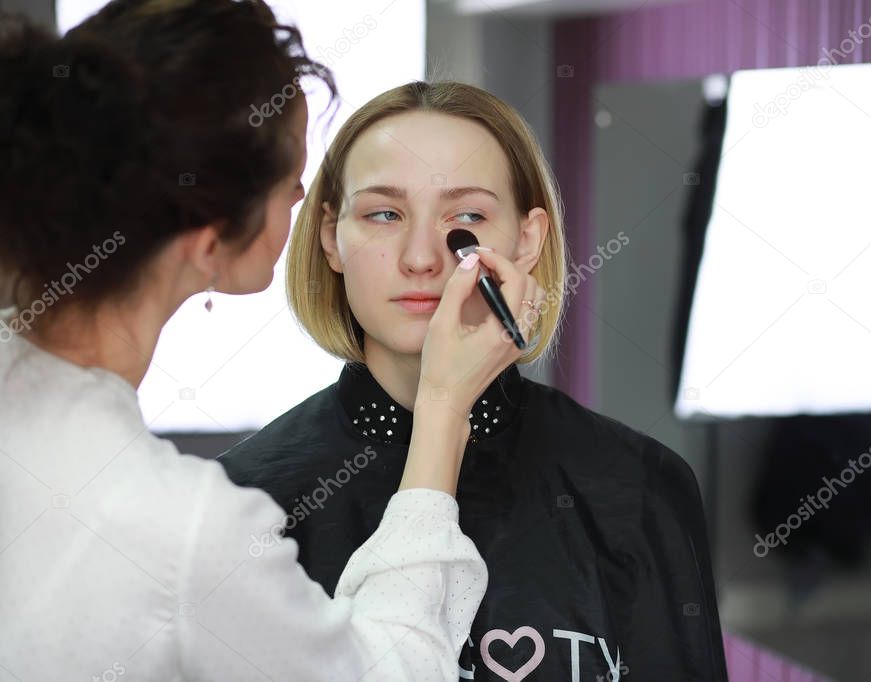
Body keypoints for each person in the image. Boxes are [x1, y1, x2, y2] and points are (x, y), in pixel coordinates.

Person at [0, 4, 530, 680]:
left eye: (463, 214)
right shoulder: (187, 530)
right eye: (290, 186)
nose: (422, 256)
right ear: (210, 238)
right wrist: (443, 408)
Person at [220, 80, 729, 681]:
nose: (420, 258)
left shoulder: (640, 485)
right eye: (384, 214)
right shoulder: (239, 506)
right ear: (332, 237)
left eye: (466, 216)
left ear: (528, 238)